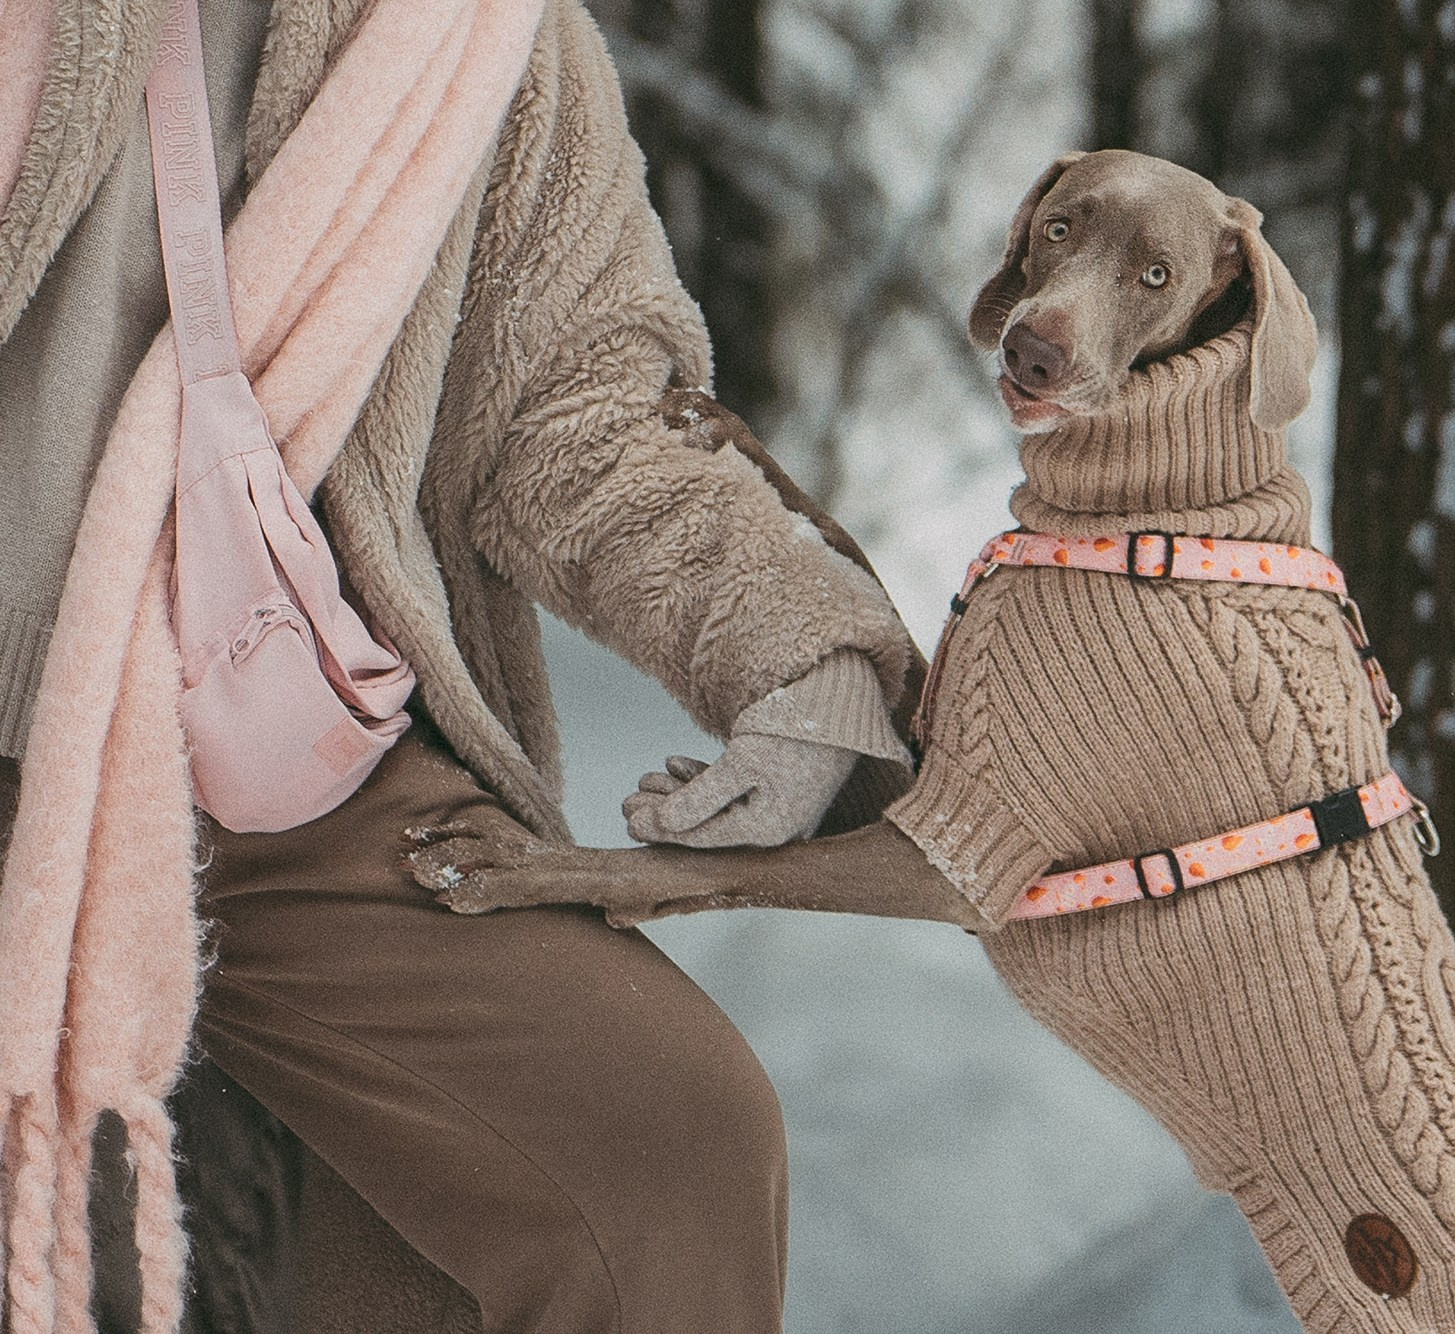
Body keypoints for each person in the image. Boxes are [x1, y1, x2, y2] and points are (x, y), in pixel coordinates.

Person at [0, 1, 918, 1330]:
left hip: (258, 756)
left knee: (664, 1138)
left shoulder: (474, 26)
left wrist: (798, 666)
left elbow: (576, 401)